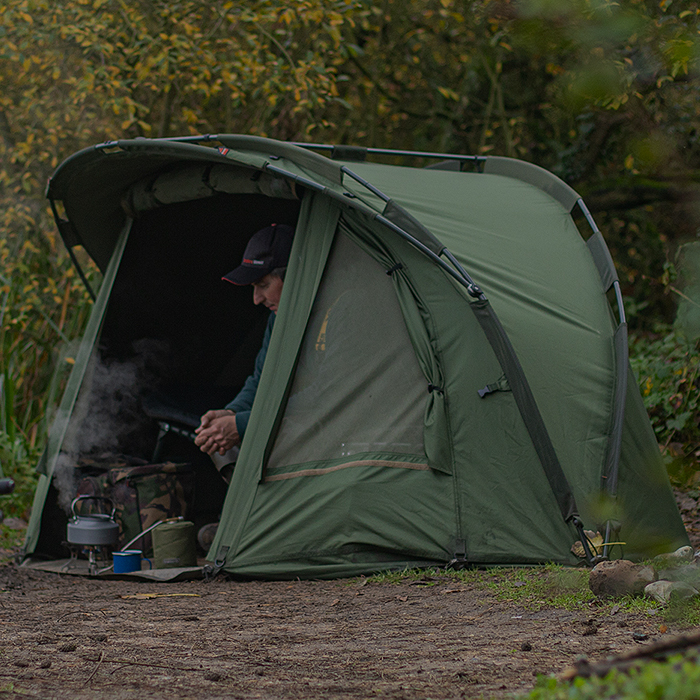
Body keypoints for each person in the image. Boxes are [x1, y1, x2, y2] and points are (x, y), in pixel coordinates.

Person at [194, 223, 293, 458]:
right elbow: (261, 380)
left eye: (263, 285)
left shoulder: (339, 313)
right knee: (223, 449)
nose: (256, 299)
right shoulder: (278, 318)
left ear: (294, 277)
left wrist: (243, 424)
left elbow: (322, 401)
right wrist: (232, 412)